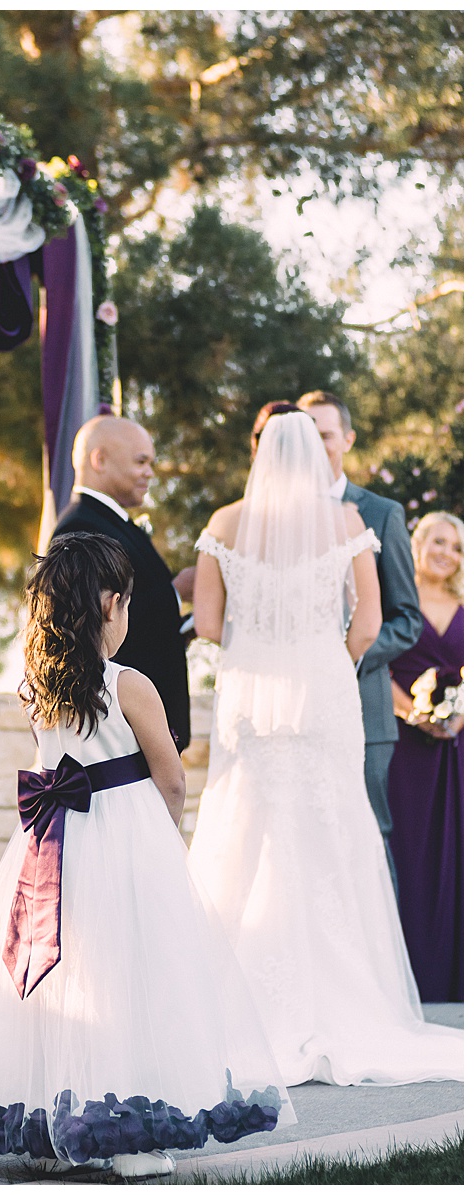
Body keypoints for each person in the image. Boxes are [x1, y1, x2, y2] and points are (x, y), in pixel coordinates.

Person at [0, 532, 288, 1179]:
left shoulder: (37, 685)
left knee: (69, 978)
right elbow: (170, 777)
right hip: (124, 838)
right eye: (129, 602)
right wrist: (163, 844)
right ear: (112, 603)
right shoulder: (130, 685)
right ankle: (127, 1137)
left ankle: (56, 1127)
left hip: (55, 844)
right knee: (133, 977)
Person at [187, 411, 461, 1085]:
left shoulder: (225, 523)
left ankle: (233, 1002)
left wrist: (262, 646)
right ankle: (344, 1001)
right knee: (331, 832)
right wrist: (316, 652)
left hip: (252, 693)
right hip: (322, 691)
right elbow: (367, 624)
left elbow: (210, 623)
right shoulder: (344, 523)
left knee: (243, 827)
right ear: (317, 455)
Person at [296, 390, 422, 887]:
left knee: (368, 839)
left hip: (364, 711)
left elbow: (406, 618)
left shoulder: (382, 512)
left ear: (347, 439)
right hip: (294, 714)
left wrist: (343, 657)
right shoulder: (275, 518)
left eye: (325, 434)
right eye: (306, 433)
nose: (315, 444)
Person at [53, 415, 192, 751]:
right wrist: (176, 594)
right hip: (123, 727)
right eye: (140, 462)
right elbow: (92, 621)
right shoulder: (81, 527)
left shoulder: (115, 523)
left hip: (144, 722)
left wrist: (185, 626)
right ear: (99, 459)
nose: (150, 473)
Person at [386, 511, 463, 1003]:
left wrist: (459, 716)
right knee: (409, 852)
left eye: (456, 547)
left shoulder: (466, 606)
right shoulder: (397, 602)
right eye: (438, 541)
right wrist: (413, 713)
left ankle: (456, 979)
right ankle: (409, 977)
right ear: (417, 544)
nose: (446, 553)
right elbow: (375, 664)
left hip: (457, 747)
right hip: (404, 748)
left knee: (459, 853)